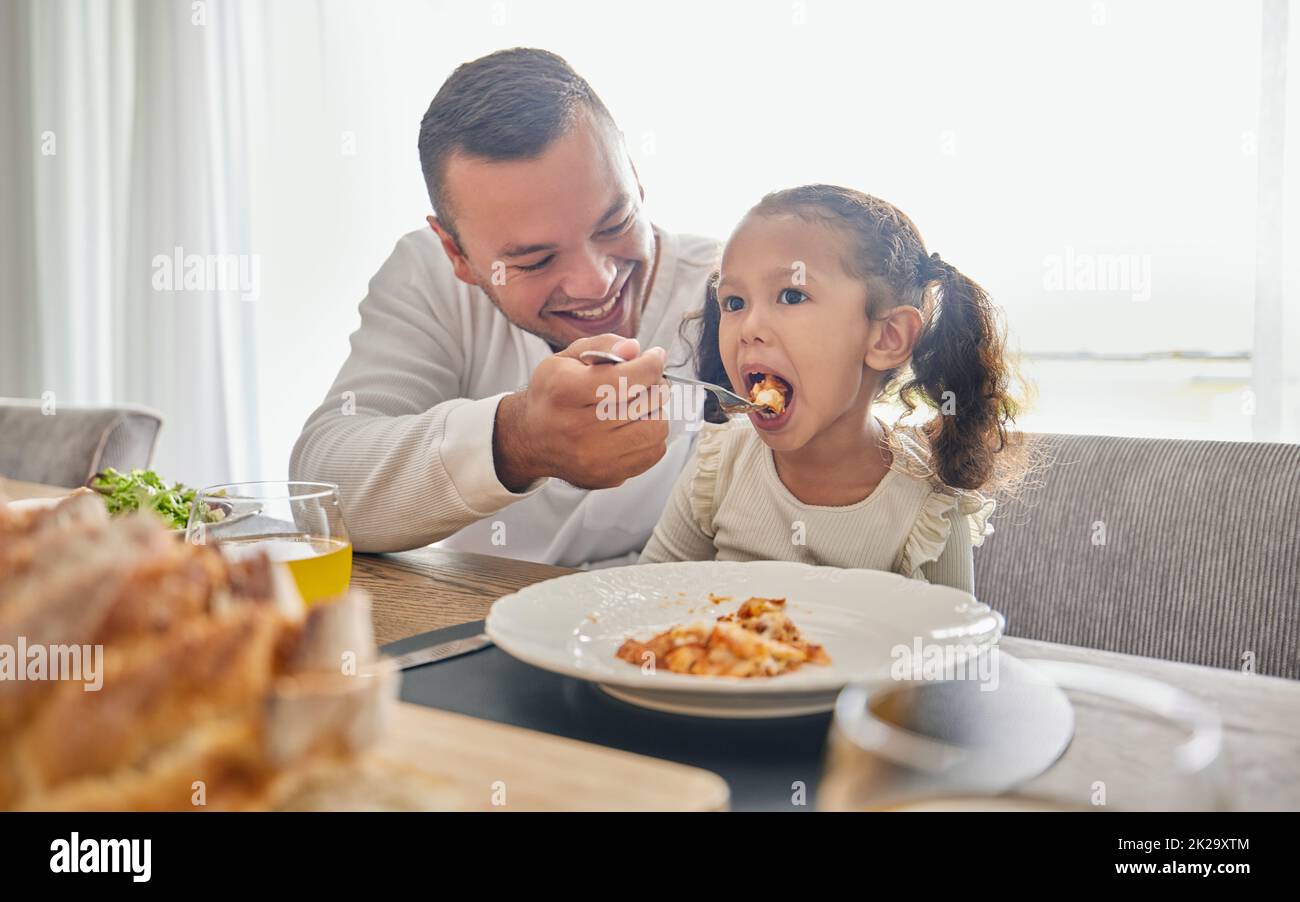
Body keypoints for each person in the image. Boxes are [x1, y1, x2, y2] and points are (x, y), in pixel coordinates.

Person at [290, 49, 717, 567]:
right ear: (457, 254)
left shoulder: (732, 293)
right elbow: (323, 490)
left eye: (614, 224)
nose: (595, 282)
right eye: (536, 261)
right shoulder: (426, 278)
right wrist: (517, 439)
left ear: (634, 175)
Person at [641, 185, 1027, 593]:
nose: (748, 328)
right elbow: (645, 600)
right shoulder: (717, 465)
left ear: (887, 337)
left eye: (791, 295)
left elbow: (951, 652)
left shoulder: (926, 511)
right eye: (734, 303)